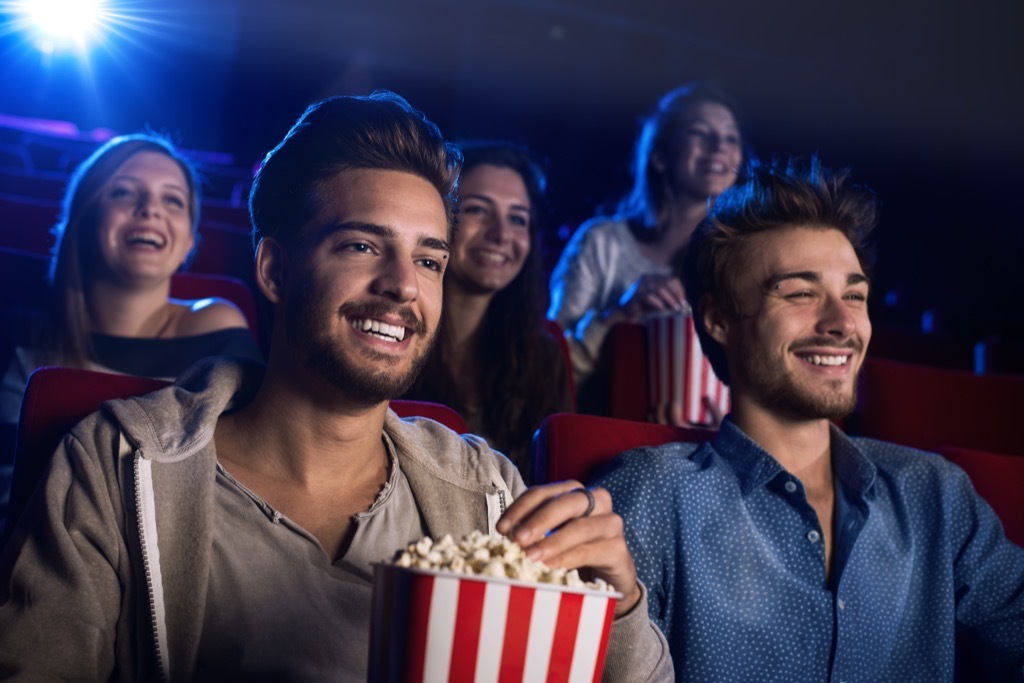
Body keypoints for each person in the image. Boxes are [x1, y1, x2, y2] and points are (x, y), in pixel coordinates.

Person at [0, 92, 672, 681]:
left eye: (429, 259)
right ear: (273, 268)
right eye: (361, 245)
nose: (404, 286)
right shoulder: (116, 465)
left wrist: (622, 604)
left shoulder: (485, 489)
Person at [591, 158, 1024, 680]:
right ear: (719, 319)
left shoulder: (937, 495)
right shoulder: (652, 492)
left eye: (855, 296)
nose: (842, 323)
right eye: (800, 293)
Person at [0, 133, 261, 527]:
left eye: (172, 199)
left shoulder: (219, 330)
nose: (150, 210)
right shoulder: (16, 331)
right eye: (123, 192)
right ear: (83, 219)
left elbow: (244, 490)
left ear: (189, 238)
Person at [548, 82, 745, 413]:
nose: (718, 146)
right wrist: (623, 314)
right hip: (605, 436)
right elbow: (547, 369)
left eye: (731, 138)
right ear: (659, 155)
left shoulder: (746, 258)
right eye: (700, 133)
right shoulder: (602, 242)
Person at [405, 142, 573, 481]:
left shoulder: (545, 353)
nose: (500, 234)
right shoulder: (395, 330)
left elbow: (557, 477)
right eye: (478, 210)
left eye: (517, 219)